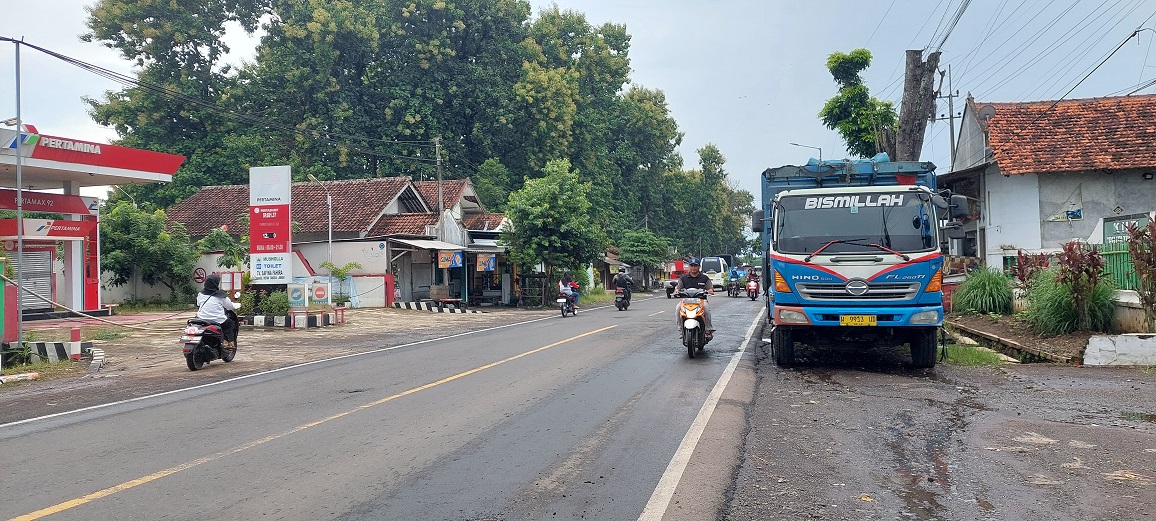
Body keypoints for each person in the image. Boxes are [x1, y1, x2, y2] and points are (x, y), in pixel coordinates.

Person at [196, 273, 241, 348]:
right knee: (230, 324)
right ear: (216, 283)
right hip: (217, 320)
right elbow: (229, 306)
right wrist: (237, 305)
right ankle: (228, 342)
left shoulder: (201, 294)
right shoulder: (221, 295)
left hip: (201, 319)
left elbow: (198, 303)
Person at [675, 258, 715, 339]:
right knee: (678, 309)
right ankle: (681, 330)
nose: (693, 268)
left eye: (695, 266)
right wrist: (676, 290)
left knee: (706, 309)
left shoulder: (704, 278)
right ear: (689, 267)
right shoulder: (683, 278)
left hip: (701, 301)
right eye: (691, 265)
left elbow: (710, 289)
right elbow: (678, 288)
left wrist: (709, 291)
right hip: (686, 301)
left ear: (699, 267)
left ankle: (708, 330)